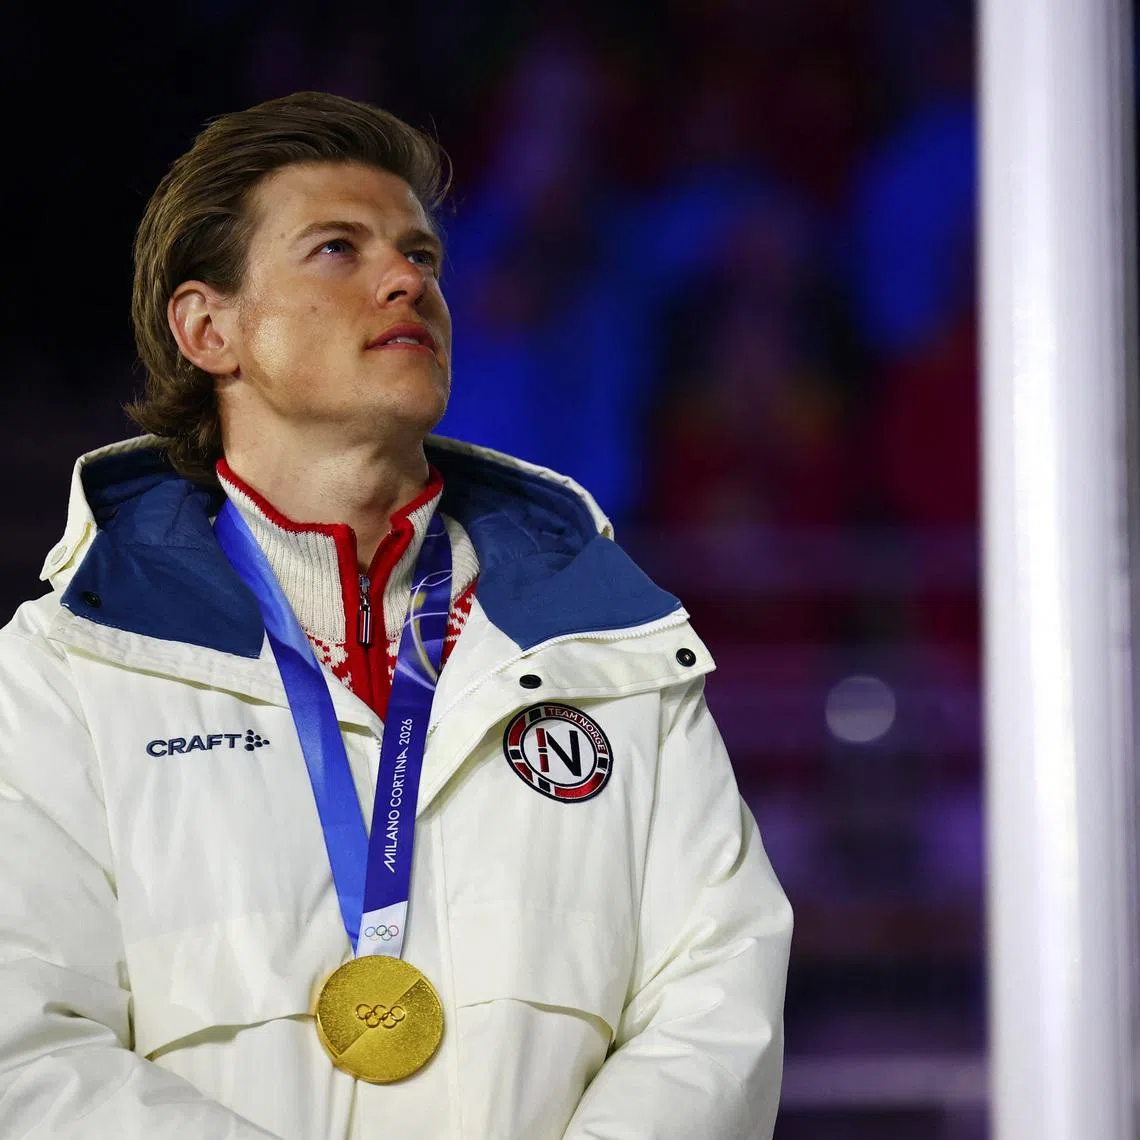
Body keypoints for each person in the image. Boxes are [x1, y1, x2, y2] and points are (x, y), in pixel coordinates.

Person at [0, 91, 792, 1140]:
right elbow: (32, 1048)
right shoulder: (67, 670)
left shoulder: (614, 648)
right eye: (338, 248)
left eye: (423, 255)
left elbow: (716, 1009)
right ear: (210, 328)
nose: (407, 278)